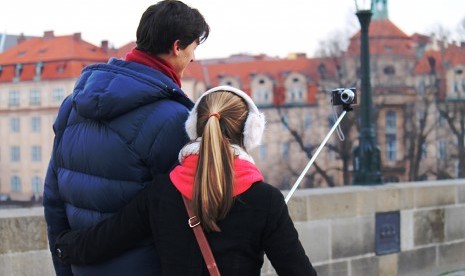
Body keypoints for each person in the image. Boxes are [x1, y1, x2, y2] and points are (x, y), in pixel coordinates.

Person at [53, 86, 318, 276]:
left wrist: (63, 244)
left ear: (194, 127)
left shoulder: (162, 191)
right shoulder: (266, 200)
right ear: (250, 133)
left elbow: (104, 240)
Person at [42, 1, 210, 276]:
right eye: (194, 48)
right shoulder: (174, 118)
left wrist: (66, 268)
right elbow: (184, 216)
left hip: (83, 266)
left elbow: (53, 198)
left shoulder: (72, 105)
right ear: (178, 46)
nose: (193, 58)